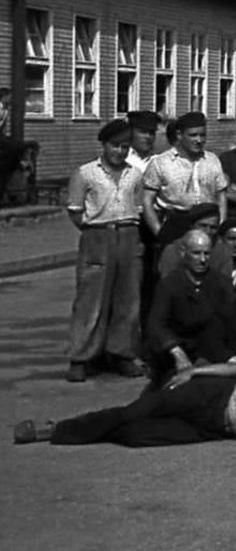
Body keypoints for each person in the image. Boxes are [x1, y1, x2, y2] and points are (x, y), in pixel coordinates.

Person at [13, 348, 236, 447]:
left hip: (214, 428)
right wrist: (195, 372)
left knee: (136, 436)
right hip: (211, 395)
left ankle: (97, 431)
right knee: (133, 412)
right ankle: (54, 430)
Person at [63, 118, 146, 382]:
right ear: (103, 145)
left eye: (125, 147)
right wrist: (95, 233)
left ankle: (120, 353)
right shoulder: (86, 173)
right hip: (97, 235)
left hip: (129, 234)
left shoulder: (135, 174)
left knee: (128, 300)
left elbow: (140, 207)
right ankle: (81, 357)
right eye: (114, 146)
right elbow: (75, 211)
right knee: (91, 299)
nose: (119, 152)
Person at [145, 229, 236, 387]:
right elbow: (156, 324)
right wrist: (177, 352)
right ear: (183, 253)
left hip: (212, 352)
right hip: (177, 353)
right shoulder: (170, 285)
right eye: (196, 253)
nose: (202, 259)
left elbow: (234, 317)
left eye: (206, 254)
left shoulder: (222, 283)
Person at [141, 111, 229, 246]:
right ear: (179, 135)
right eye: (193, 135)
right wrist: (160, 233)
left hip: (208, 225)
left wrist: (220, 226)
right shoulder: (161, 163)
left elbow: (221, 197)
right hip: (175, 224)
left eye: (202, 135)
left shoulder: (212, 160)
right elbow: (147, 202)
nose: (199, 140)